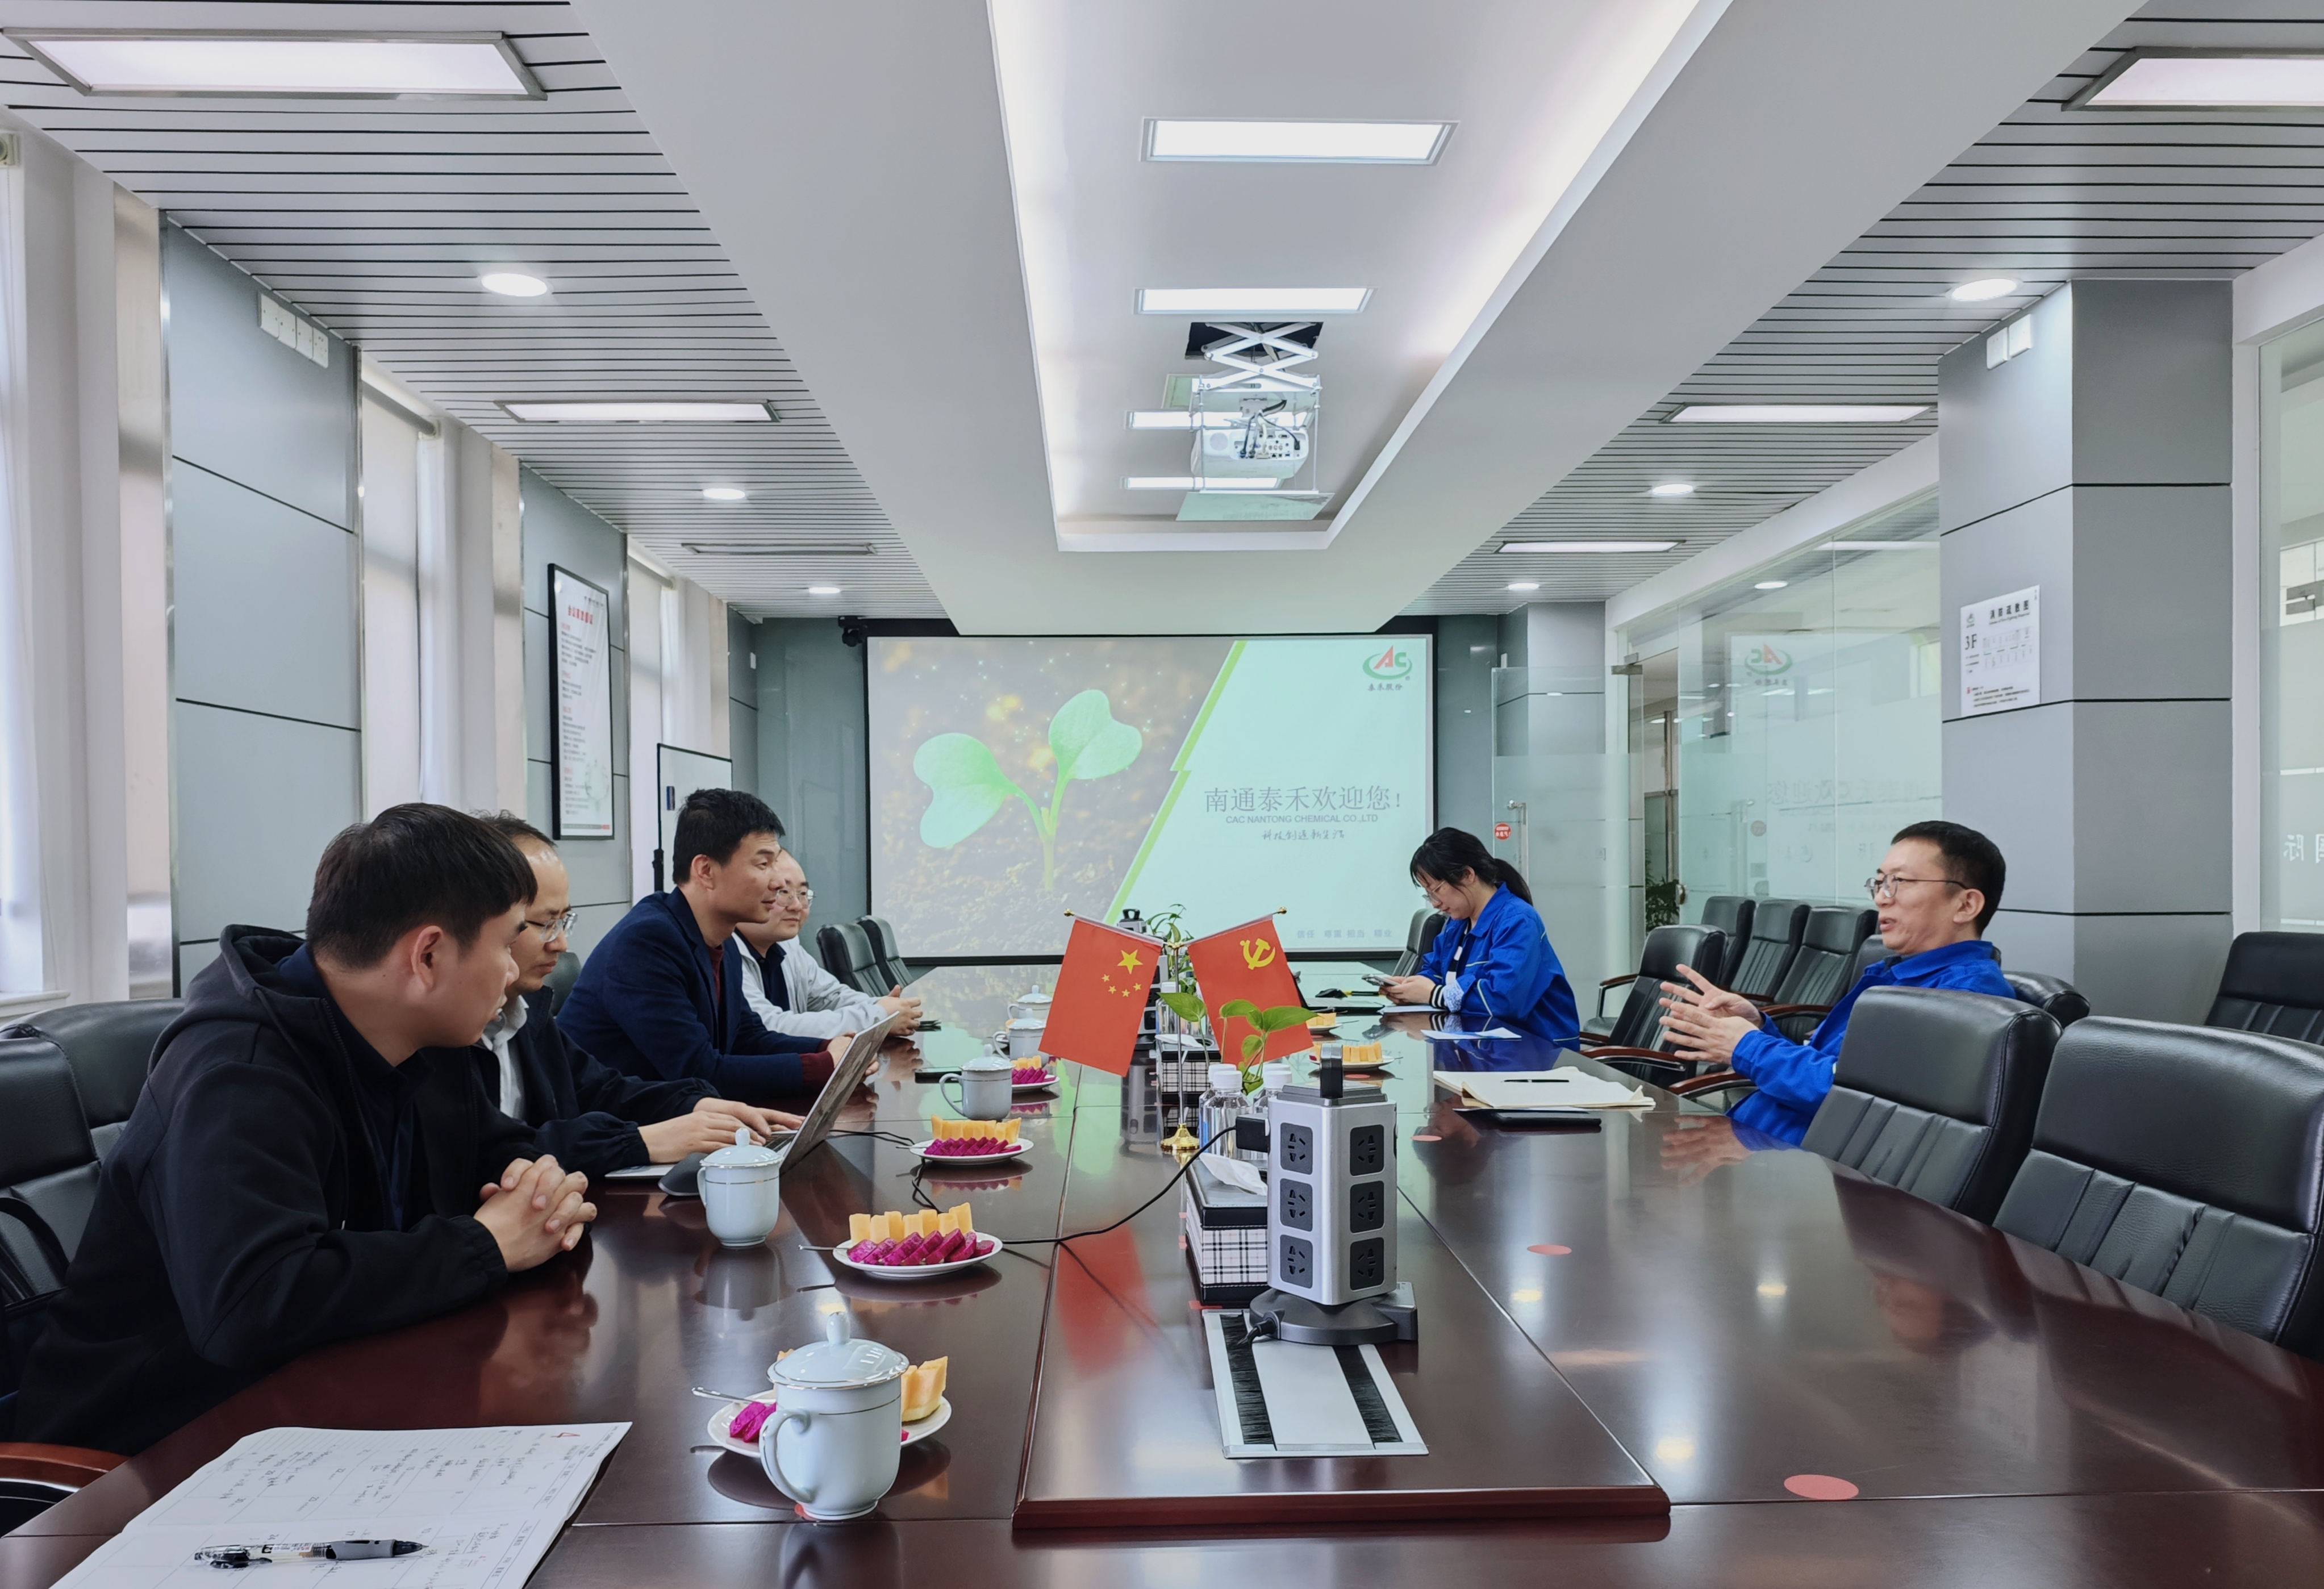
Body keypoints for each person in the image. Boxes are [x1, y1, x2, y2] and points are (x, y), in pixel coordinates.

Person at [18, 804, 598, 1454]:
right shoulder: (239, 1072)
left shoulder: (424, 1035)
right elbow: (253, 1304)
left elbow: (493, 1149)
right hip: (151, 1442)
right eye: (505, 942)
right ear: (428, 955)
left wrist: (536, 1185)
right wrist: (485, 1244)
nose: (513, 969)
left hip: (333, 1394)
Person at [474, 814, 800, 1177]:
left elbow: (601, 1089)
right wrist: (640, 1140)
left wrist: (695, 1105)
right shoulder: (450, 1033)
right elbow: (490, 1154)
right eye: (546, 924)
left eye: (564, 921)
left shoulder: (526, 1008)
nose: (562, 944)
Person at [1658, 820, 2017, 1146]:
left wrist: (1746, 1047)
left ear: (1966, 905)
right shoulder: (1898, 975)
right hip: (1754, 1142)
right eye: (1880, 882)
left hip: (1805, 1173)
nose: (1882, 898)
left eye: (1900, 882)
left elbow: (1853, 1099)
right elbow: (1832, 1068)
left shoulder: (1965, 998)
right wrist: (1759, 1028)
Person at [557, 788, 850, 1102]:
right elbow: (698, 1071)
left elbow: (747, 1038)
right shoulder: (647, 942)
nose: (778, 883)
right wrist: (823, 1066)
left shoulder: (724, 941)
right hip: (608, 1124)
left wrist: (829, 1048)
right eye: (763, 865)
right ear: (706, 871)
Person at [1378, 827, 1579, 1045]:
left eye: (1436, 890)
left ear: (1467, 875)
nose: (1435, 903)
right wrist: (1411, 987)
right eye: (1428, 894)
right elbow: (1435, 970)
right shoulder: (1457, 923)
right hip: (1480, 1045)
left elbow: (1503, 1000)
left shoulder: (1518, 920)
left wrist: (1434, 995)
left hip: (1533, 1049)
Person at [734, 853, 921, 1038]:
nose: (797, 906)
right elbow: (767, 1028)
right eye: (783, 892)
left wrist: (884, 1007)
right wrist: (878, 1016)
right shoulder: (725, 955)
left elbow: (830, 997)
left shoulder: (788, 946)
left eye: (802, 894)